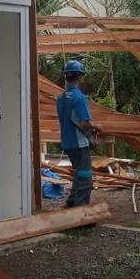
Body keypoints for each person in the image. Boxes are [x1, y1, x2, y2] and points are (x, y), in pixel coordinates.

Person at [57, 60, 102, 207]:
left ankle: (71, 205)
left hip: (67, 142)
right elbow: (83, 123)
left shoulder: (61, 98)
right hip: (79, 143)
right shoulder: (79, 98)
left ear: (66, 77)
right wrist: (96, 127)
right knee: (85, 178)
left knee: (78, 174)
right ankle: (80, 211)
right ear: (80, 77)